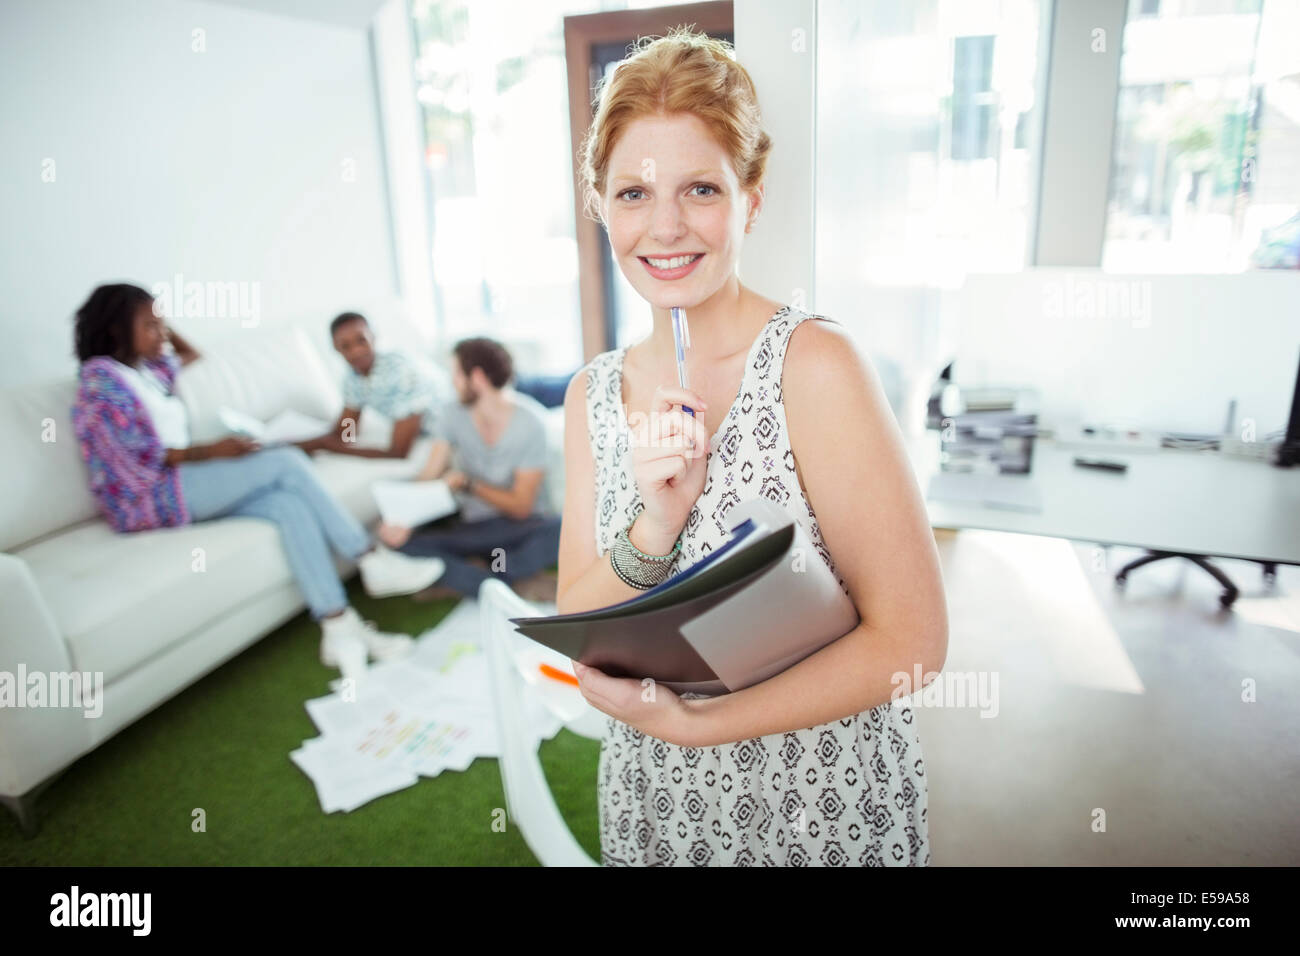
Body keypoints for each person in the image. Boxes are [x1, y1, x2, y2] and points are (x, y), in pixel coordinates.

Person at [556, 28, 949, 866]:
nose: (665, 228)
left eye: (700, 188)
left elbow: (912, 645)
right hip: (658, 799)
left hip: (817, 800)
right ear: (599, 204)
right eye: (632, 194)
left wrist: (699, 725)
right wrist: (656, 526)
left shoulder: (815, 365)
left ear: (751, 197)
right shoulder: (589, 395)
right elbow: (578, 621)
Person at [69, 284, 450, 673]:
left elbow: (190, 355)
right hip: (150, 497)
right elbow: (131, 459)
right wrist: (211, 451)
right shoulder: (102, 380)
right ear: (116, 329)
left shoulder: (145, 373)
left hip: (178, 480)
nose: (161, 334)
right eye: (150, 326)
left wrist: (159, 321)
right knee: (284, 461)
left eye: (161, 324)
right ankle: (368, 557)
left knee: (288, 505)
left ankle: (338, 627)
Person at [376, 337, 561, 602]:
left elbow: (521, 506)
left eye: (456, 374)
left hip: (519, 527)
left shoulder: (530, 422)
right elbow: (428, 476)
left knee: (560, 530)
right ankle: (509, 584)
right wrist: (398, 517)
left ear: (477, 377)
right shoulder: (451, 414)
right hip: (473, 529)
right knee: (400, 544)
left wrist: (469, 484)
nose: (452, 382)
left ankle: (474, 581)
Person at [298, 311, 448, 460]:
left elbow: (398, 452)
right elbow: (346, 434)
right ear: (336, 348)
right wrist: (299, 444)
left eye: (361, 340)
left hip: (450, 426)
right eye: (345, 346)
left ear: (373, 337)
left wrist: (327, 446)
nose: (356, 351)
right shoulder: (353, 379)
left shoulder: (402, 372)